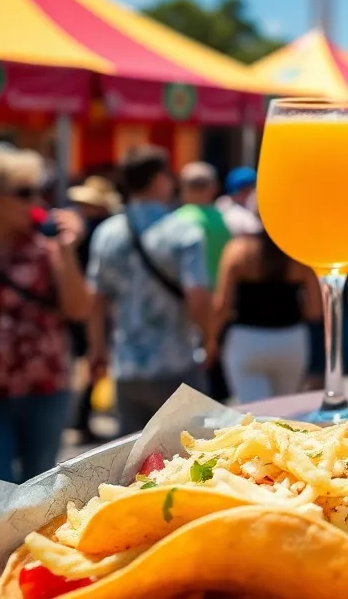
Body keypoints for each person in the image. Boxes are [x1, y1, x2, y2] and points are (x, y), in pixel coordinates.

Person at [0, 149, 92, 481]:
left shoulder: (46, 250)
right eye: (25, 193)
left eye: (40, 191)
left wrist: (67, 252)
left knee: (39, 483)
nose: (38, 202)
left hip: (44, 387)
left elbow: (79, 309)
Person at [88, 146, 215, 435]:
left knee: (134, 463)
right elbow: (197, 295)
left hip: (126, 366)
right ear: (159, 180)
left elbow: (95, 300)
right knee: (189, 455)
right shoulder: (184, 230)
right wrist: (209, 337)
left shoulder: (106, 232)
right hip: (176, 362)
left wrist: (96, 348)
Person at [214, 228, 320, 402]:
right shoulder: (300, 254)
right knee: (286, 411)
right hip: (291, 341)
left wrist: (211, 340)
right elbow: (314, 310)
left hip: (246, 342)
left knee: (255, 413)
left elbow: (222, 306)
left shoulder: (237, 250)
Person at [65, 175, 120, 441]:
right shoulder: (99, 228)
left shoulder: (80, 228)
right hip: (91, 304)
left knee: (87, 362)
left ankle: (78, 416)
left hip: (79, 302)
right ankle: (80, 416)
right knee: (92, 360)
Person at [175, 163, 232, 287]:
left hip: (186, 297)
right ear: (214, 188)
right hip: (220, 296)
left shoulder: (175, 221)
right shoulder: (226, 219)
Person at [216, 166, 262, 237]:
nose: (252, 194)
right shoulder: (235, 213)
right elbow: (255, 232)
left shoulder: (221, 203)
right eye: (246, 190)